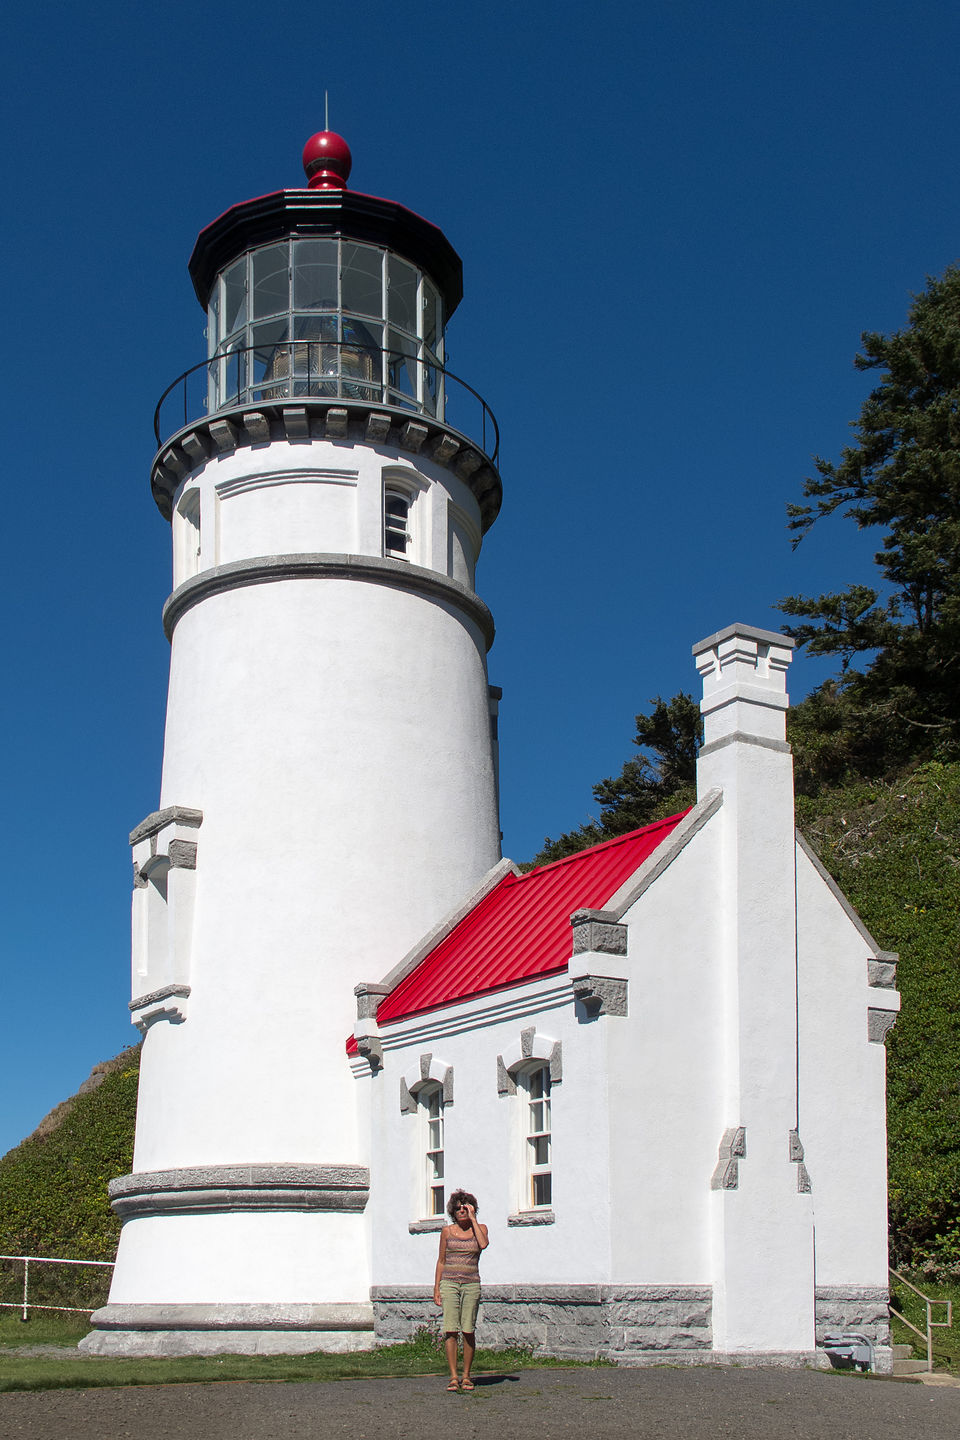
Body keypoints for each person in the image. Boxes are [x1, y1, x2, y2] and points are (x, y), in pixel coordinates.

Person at [433, 1188, 489, 1391]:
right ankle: (453, 1376)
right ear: (452, 1212)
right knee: (450, 1329)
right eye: (457, 1209)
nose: (461, 1212)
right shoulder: (447, 1231)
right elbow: (441, 1260)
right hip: (449, 1283)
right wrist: (436, 1288)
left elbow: (483, 1244)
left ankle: (467, 1376)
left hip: (471, 1283)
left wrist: (473, 1220)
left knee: (468, 1329)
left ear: (471, 1209)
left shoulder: (480, 1228)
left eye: (464, 1208)